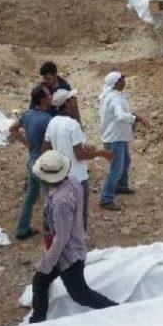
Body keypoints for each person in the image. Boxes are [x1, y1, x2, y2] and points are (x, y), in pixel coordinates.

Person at [28, 150, 117, 323]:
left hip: (67, 255)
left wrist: (46, 263)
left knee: (80, 295)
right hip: (74, 246)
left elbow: (61, 238)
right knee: (40, 282)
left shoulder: (60, 201)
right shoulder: (73, 183)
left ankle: (116, 310)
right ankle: (37, 320)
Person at [43, 88, 112, 227]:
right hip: (77, 178)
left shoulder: (53, 122)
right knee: (79, 215)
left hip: (60, 177)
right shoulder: (73, 125)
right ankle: (79, 245)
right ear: (67, 103)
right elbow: (79, 155)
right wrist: (101, 153)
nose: (75, 102)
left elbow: (45, 149)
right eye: (73, 99)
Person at [99, 71, 149, 211]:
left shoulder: (115, 96)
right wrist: (136, 118)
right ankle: (106, 198)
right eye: (122, 79)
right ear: (116, 82)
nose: (124, 81)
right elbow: (120, 115)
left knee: (126, 161)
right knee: (116, 168)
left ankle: (121, 186)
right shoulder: (113, 98)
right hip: (114, 138)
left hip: (118, 136)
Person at [10, 84, 53, 240]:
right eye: (49, 96)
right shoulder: (47, 119)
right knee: (50, 199)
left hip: (31, 160)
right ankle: (53, 233)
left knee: (30, 196)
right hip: (42, 164)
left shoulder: (27, 114)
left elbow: (13, 129)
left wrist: (26, 143)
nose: (51, 97)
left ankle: (22, 229)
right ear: (42, 100)